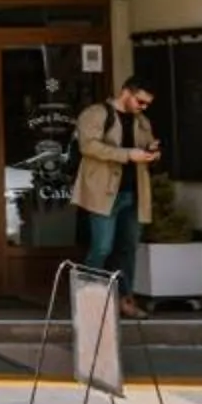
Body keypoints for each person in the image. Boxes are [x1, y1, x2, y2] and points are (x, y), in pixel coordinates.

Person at [73, 81, 160, 310]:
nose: (143, 107)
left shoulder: (142, 120)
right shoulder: (96, 114)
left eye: (147, 104)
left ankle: (125, 299)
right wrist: (128, 154)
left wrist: (151, 152)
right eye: (140, 101)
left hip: (133, 192)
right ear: (125, 92)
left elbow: (144, 147)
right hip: (104, 192)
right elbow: (89, 147)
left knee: (128, 247)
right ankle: (89, 298)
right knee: (102, 247)